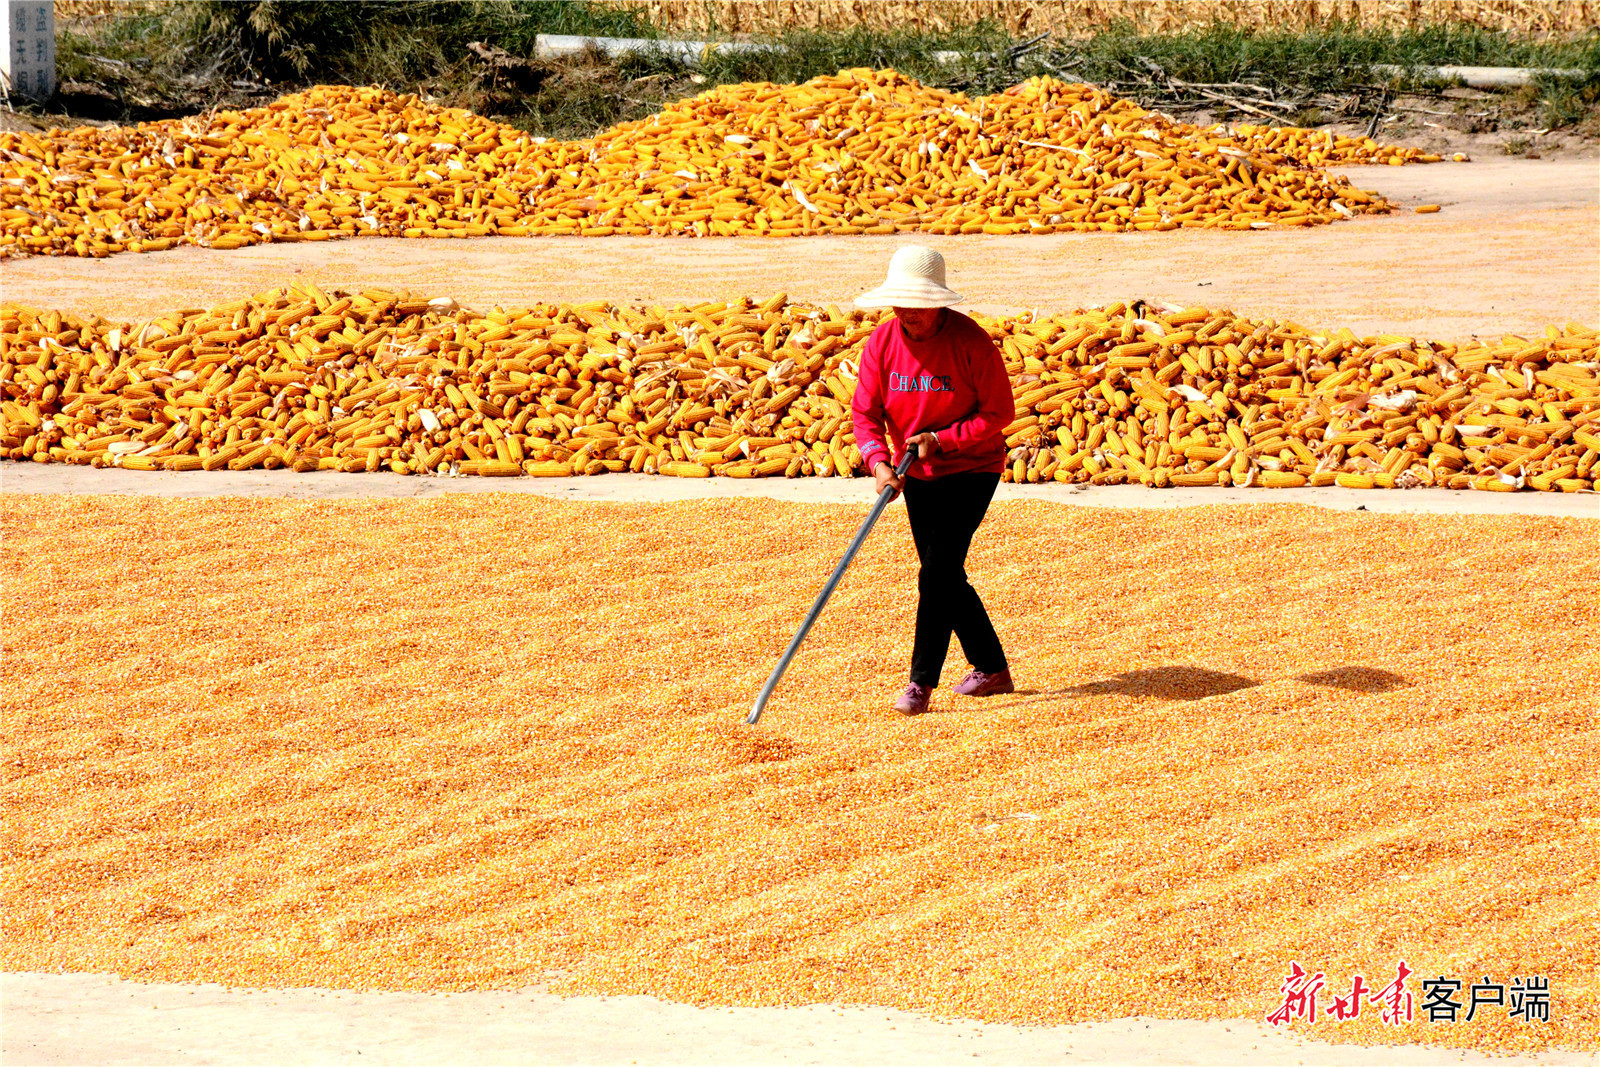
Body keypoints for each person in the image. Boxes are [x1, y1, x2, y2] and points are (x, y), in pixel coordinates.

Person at [851, 245, 1015, 715]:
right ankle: (992, 669)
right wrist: (878, 462)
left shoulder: (970, 343)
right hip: (912, 470)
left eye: (918, 305)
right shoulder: (882, 344)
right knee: (945, 575)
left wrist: (943, 440)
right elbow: (865, 414)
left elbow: (999, 413)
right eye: (900, 303)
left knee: (936, 573)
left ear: (939, 302)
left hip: (972, 467)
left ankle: (920, 684)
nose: (908, 314)